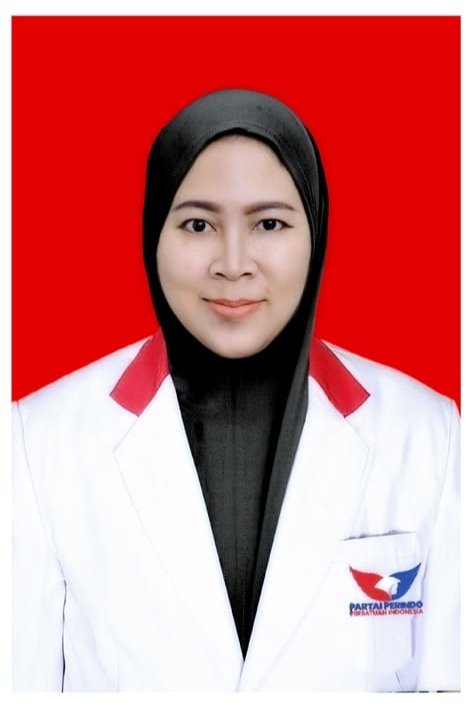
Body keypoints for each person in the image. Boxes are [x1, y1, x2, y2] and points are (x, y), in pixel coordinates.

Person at [12, 89, 460, 692]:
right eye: (198, 224)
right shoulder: (39, 442)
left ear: (315, 232)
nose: (232, 263)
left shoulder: (429, 435)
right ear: (153, 232)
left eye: (269, 223)